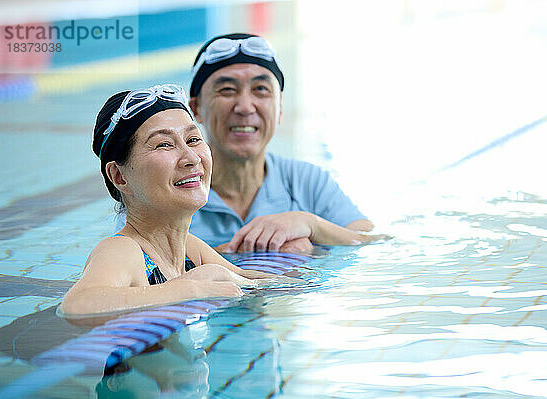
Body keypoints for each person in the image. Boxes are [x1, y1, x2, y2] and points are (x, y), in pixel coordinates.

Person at [62, 84, 276, 315]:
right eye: (164, 144)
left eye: (193, 139)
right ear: (119, 177)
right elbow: (78, 305)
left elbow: (271, 285)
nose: (192, 158)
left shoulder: (189, 250)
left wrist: (312, 227)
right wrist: (193, 289)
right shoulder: (123, 250)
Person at [187, 33, 379, 254]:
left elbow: (372, 241)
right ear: (196, 109)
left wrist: (310, 225)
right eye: (227, 91)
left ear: (279, 109)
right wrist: (266, 254)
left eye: (261, 90)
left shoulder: (305, 181)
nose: (245, 107)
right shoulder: (175, 191)